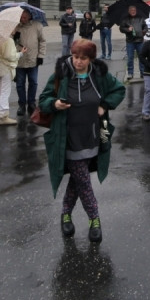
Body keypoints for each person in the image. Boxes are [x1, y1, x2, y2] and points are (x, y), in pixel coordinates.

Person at [40, 39, 125, 242]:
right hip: (68, 139)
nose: (78, 62)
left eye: (83, 58)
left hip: (94, 136)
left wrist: (105, 105)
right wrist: (55, 104)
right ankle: (94, 219)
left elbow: (119, 90)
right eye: (75, 57)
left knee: (78, 179)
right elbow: (42, 101)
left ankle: (65, 213)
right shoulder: (60, 76)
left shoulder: (99, 75)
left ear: (91, 59)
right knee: (84, 182)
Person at [14, 9, 47, 116]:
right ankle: (22, 104)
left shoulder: (37, 25)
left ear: (29, 17)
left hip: (33, 59)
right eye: (20, 17)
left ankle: (31, 103)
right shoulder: (16, 26)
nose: (22, 19)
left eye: (24, 17)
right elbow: (10, 43)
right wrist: (14, 38)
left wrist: (41, 56)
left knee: (33, 82)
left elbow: (42, 41)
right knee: (20, 84)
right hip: (20, 59)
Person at [0, 34, 21, 125]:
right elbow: (10, 56)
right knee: (5, 91)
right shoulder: (8, 40)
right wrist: (20, 54)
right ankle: (3, 115)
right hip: (5, 68)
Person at [119, 5, 147, 82]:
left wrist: (144, 30)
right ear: (129, 11)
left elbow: (145, 26)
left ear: (136, 11)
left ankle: (142, 72)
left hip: (140, 41)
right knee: (130, 58)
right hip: (130, 41)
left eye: (134, 10)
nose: (133, 11)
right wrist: (128, 29)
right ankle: (130, 73)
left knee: (141, 57)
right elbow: (121, 28)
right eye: (131, 10)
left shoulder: (141, 18)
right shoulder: (125, 19)